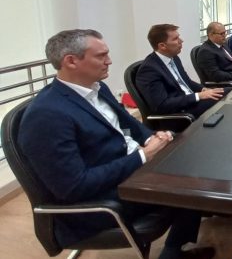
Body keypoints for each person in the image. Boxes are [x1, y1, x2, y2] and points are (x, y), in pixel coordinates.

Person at [18, 29, 212, 259]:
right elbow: (74, 187)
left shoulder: (97, 87)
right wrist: (142, 156)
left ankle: (177, 245)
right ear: (71, 61)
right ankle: (173, 252)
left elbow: (129, 123)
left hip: (128, 167)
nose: (109, 61)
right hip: (103, 199)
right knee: (192, 183)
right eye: (101, 56)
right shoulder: (46, 115)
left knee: (195, 154)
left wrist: (151, 138)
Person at [136, 24, 224, 119]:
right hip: (180, 113)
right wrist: (198, 96)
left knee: (226, 91)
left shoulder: (174, 58)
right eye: (175, 39)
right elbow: (162, 105)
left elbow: (187, 82)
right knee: (223, 97)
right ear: (162, 46)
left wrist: (204, 89)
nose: (181, 41)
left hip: (190, 102)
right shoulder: (149, 70)